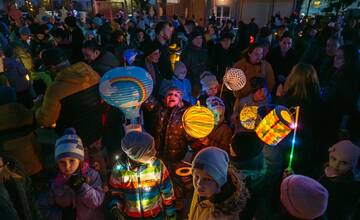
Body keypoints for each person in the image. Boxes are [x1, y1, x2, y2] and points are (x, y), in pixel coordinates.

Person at [109, 131, 176, 220]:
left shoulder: (157, 166)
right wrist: (115, 207)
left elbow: (167, 191)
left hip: (156, 217)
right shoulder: (119, 170)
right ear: (136, 156)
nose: (155, 152)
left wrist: (170, 213)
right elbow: (115, 192)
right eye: (150, 150)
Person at [39, 128, 105, 220]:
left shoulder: (91, 175)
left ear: (80, 160)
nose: (67, 166)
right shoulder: (55, 182)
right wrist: (61, 216)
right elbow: (43, 206)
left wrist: (82, 188)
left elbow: (97, 201)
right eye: (62, 162)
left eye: (72, 160)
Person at [276, 63, 322, 176]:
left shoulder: (287, 101)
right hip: (308, 147)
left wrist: (279, 99)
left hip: (288, 146)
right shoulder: (319, 102)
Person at [188, 147, 250, 220]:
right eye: (197, 176)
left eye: (207, 179)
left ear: (219, 182)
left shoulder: (225, 216)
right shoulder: (202, 191)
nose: (199, 183)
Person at [318, 140, 360, 219]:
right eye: (333, 159)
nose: (336, 165)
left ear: (352, 166)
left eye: (344, 163)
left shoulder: (352, 187)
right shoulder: (322, 172)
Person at [181, 30, 209, 97]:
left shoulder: (204, 51)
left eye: (200, 38)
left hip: (204, 83)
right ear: (192, 40)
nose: (199, 40)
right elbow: (185, 71)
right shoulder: (187, 53)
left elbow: (207, 66)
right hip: (192, 84)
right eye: (196, 38)